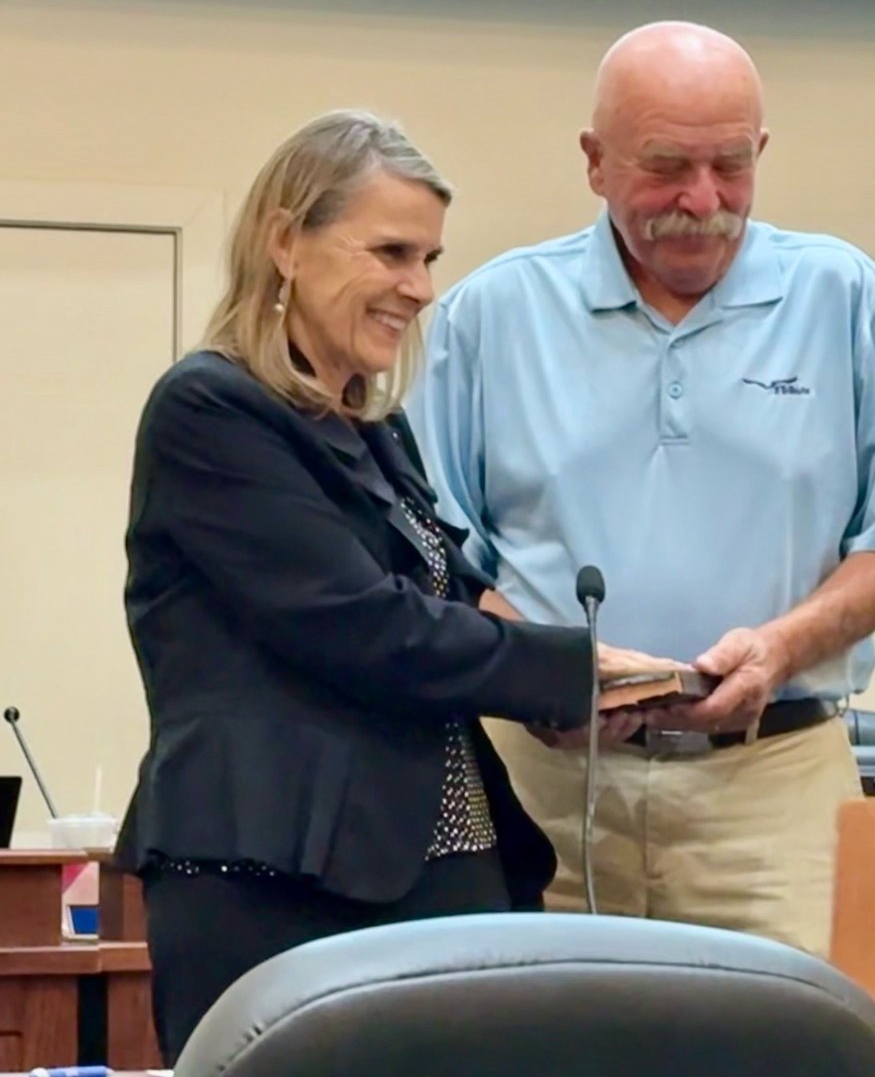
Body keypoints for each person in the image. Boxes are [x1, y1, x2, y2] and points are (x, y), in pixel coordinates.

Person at [113, 109, 675, 1063]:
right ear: (285, 242)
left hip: (440, 864)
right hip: (277, 877)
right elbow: (362, 626)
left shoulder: (373, 427)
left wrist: (595, 688)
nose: (420, 288)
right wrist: (566, 671)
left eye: (430, 258)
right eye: (392, 253)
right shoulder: (211, 409)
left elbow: (448, 595)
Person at [407, 21, 875, 956]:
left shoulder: (847, 300)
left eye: (730, 166)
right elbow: (429, 560)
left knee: (794, 1033)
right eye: (665, 167)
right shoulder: (490, 317)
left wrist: (779, 650)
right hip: (542, 787)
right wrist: (550, 675)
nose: (702, 202)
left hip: (774, 789)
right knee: (525, 1030)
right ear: (595, 162)